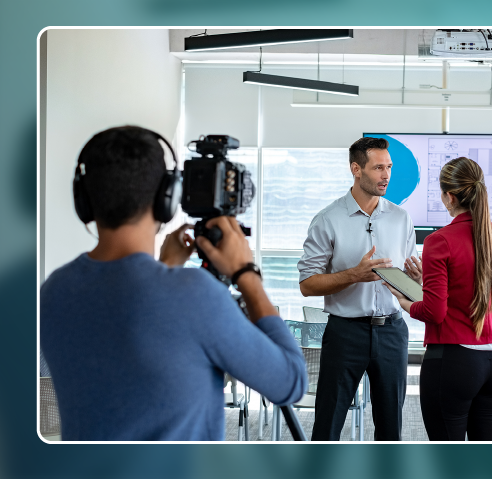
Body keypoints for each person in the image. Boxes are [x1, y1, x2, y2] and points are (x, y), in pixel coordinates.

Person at [40, 125, 307, 441]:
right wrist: (245, 273)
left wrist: (165, 268)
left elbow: (130, 362)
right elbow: (290, 382)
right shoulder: (192, 294)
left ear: (83, 199)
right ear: (167, 198)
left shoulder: (54, 290)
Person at [385, 156, 492, 441]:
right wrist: (436, 284)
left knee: (447, 462)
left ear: (449, 197)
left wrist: (405, 301)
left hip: (455, 364)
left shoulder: (440, 241)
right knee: (485, 465)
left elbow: (435, 312)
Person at [298, 137, 422, 441]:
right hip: (345, 333)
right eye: (378, 167)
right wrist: (354, 274)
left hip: (393, 332)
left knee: (391, 427)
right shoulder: (328, 219)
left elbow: (406, 284)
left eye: (389, 167)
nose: (386, 175)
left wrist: (416, 281)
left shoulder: (401, 218)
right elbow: (307, 284)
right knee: (328, 424)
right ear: (356, 169)